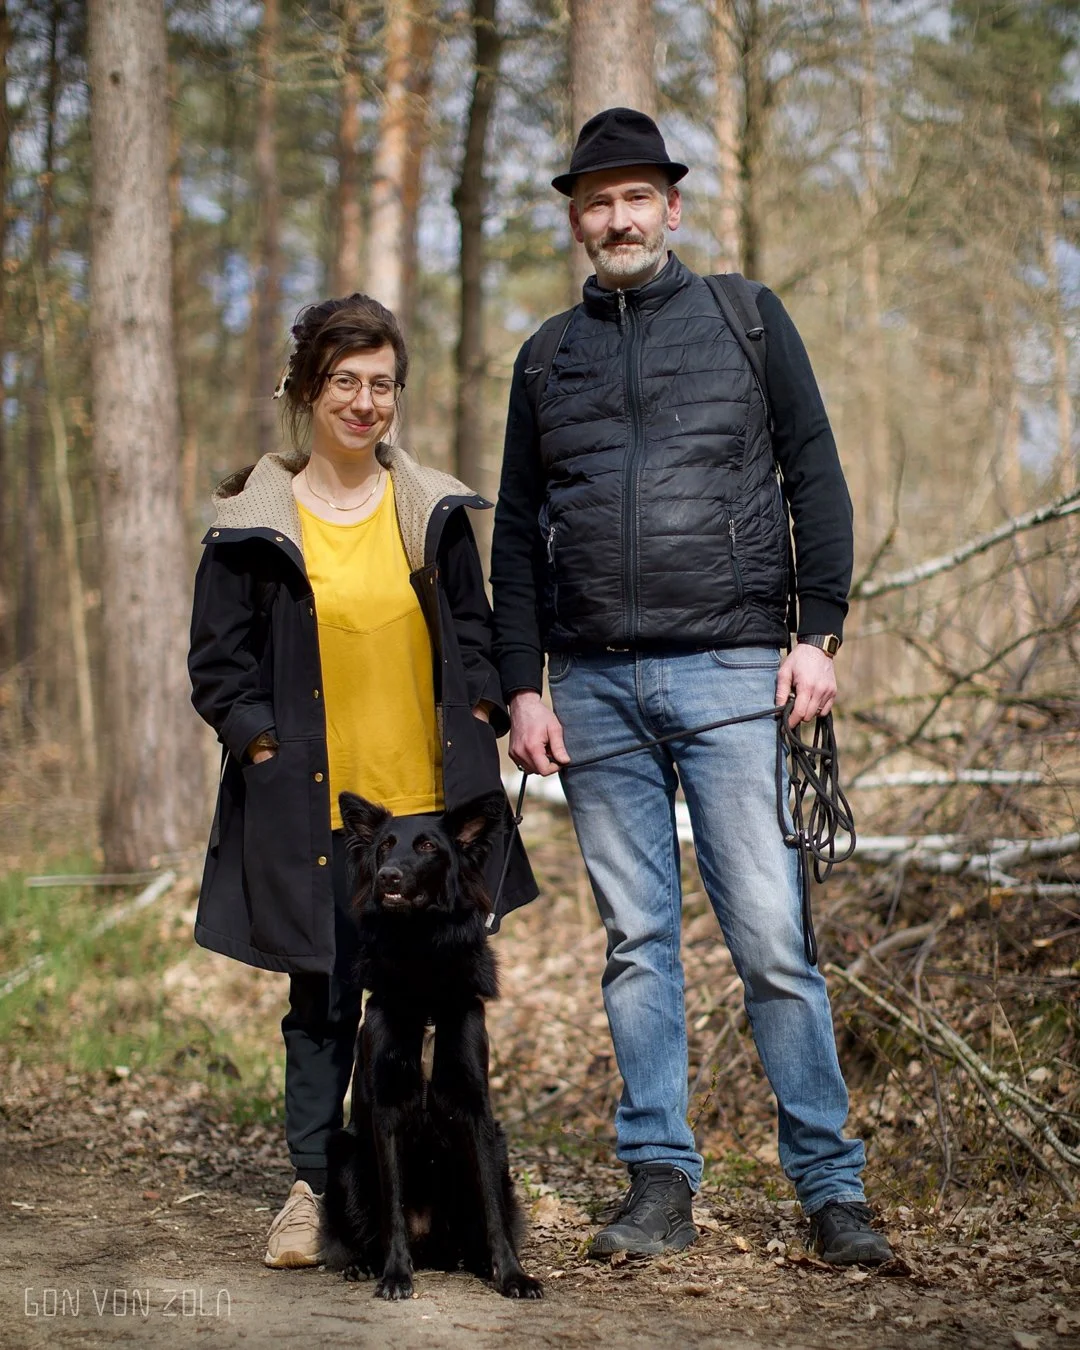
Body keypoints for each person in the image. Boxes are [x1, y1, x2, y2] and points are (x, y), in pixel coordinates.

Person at [490, 108, 893, 1266]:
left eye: (636, 198)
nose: (618, 219)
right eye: (597, 202)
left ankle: (832, 1191)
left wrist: (818, 634)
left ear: (671, 206)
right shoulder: (543, 358)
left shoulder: (746, 317)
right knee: (637, 944)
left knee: (770, 938)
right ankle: (659, 1181)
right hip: (594, 689)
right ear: (576, 221)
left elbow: (815, 473)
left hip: (731, 672)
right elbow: (515, 531)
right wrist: (524, 686)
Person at [189, 293, 534, 1269]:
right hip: (322, 816)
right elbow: (217, 664)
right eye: (344, 381)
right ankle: (313, 1192)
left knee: (445, 1002)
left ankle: (448, 1192)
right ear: (307, 390)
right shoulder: (252, 521)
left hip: (430, 815)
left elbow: (473, 626)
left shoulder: (430, 509)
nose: (364, 401)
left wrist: (481, 710)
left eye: (381, 384)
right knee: (327, 1002)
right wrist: (260, 742)